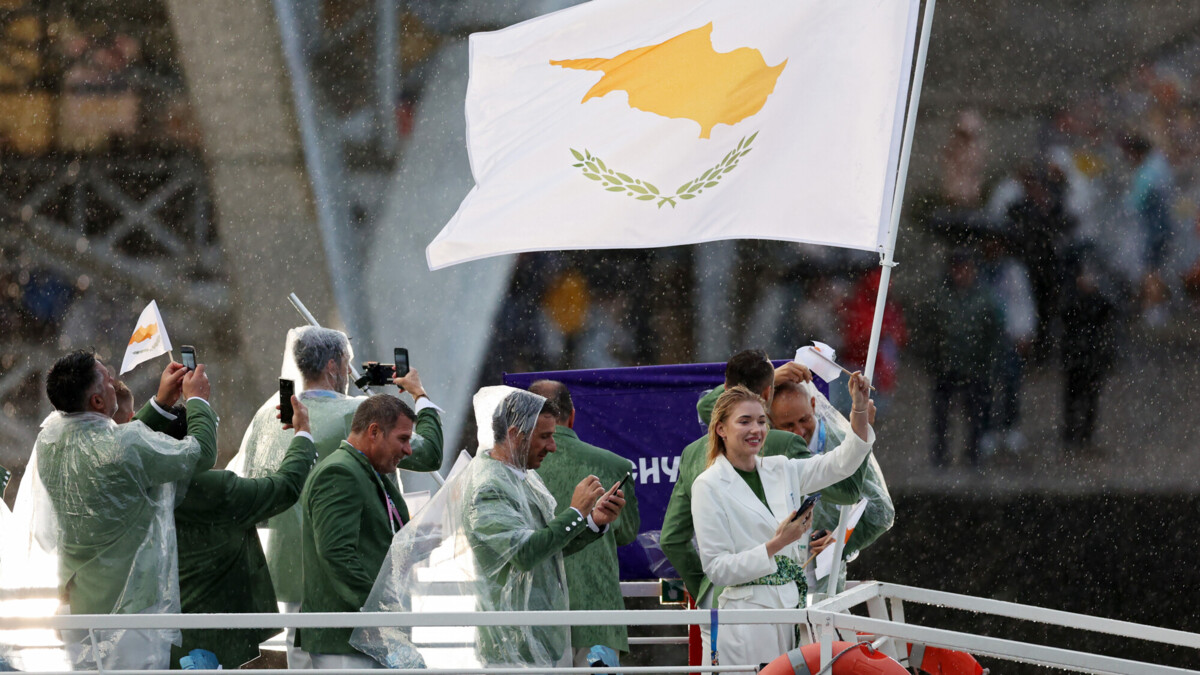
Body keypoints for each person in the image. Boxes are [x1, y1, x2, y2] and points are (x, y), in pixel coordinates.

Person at [232, 326, 443, 668]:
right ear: (332, 365)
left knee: (300, 658)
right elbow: (429, 453)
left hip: (289, 566)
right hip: (347, 569)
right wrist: (420, 394)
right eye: (347, 364)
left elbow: (260, 492)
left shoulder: (268, 417)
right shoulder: (355, 413)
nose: (349, 372)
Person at [661, 350, 869, 659]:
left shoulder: (781, 468)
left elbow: (840, 466)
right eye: (744, 421)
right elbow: (717, 570)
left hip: (790, 613)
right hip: (744, 620)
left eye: (761, 420)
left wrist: (859, 411)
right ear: (721, 429)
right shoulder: (708, 484)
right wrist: (776, 545)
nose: (756, 430)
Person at [34, 351, 217, 670]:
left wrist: (159, 404)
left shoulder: (50, 441)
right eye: (106, 379)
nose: (114, 382)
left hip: (77, 609)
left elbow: (116, 452)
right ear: (97, 402)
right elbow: (198, 455)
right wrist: (198, 401)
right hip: (131, 615)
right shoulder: (127, 445)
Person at [463, 389, 625, 667]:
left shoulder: (522, 477)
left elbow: (549, 547)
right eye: (545, 436)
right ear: (515, 434)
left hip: (538, 638)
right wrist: (575, 512)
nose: (553, 446)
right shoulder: (489, 487)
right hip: (511, 645)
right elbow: (525, 553)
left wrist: (593, 521)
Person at [167, 395, 319, 668]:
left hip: (162, 630)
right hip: (215, 636)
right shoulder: (214, 489)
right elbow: (284, 487)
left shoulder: (149, 483)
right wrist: (303, 434)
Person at [297, 395, 421, 669]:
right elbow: (337, 555)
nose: (409, 450)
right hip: (347, 641)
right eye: (403, 439)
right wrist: (381, 613)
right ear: (374, 431)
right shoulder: (341, 472)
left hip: (362, 635)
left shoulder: (363, 470)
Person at [528, 380, 640, 665]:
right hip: (597, 616)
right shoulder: (617, 466)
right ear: (573, 415)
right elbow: (627, 533)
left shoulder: (514, 469)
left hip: (534, 617)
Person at [769, 381, 894, 592]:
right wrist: (773, 378)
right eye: (788, 426)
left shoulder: (845, 443)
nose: (799, 431)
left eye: (804, 419)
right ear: (770, 422)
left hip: (824, 588)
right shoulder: (764, 446)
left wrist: (839, 540)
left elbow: (881, 510)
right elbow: (710, 407)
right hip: (775, 584)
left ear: (813, 403)